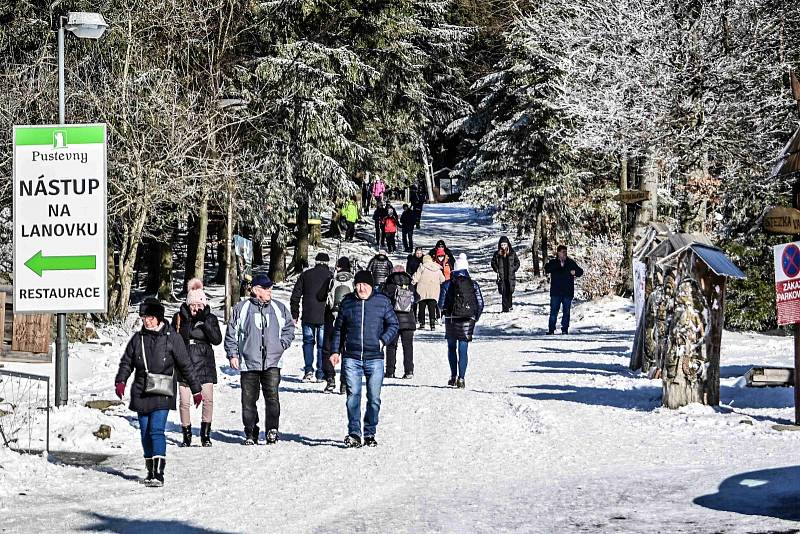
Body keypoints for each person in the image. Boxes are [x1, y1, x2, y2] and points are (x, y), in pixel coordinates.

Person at [115, 298, 202, 487]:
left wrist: (196, 389)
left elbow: (185, 364)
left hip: (162, 390)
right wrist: (121, 380)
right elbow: (127, 362)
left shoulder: (172, 338)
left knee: (156, 430)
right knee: (145, 433)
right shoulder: (138, 339)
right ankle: (149, 470)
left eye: (151, 317)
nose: (147, 321)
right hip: (141, 390)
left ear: (159, 318)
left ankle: (159, 473)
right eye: (145, 317)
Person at [330, 271, 399, 447]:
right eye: (358, 285)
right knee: (353, 396)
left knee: (374, 398)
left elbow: (393, 324)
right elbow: (339, 329)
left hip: (375, 358)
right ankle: (354, 433)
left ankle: (370, 432)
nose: (361, 288)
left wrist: (382, 340)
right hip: (352, 357)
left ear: (371, 286)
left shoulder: (382, 301)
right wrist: (335, 351)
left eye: (365, 285)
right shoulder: (348, 302)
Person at [224, 274, 295, 445]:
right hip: (249, 363)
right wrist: (233, 354)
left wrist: (282, 344)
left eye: (270, 287)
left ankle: (272, 430)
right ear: (256, 290)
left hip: (272, 362)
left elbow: (289, 327)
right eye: (266, 288)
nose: (270, 290)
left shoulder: (279, 308)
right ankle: (250, 431)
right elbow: (231, 333)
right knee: (248, 401)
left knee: (272, 398)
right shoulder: (242, 308)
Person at [171, 278, 222, 447]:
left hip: (204, 364)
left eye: (199, 305)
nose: (195, 308)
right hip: (185, 364)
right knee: (184, 402)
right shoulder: (179, 318)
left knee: (208, 400)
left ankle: (205, 435)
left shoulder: (210, 318)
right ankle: (186, 435)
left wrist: (205, 322)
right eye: (192, 305)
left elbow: (216, 339)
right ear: (187, 304)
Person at [438, 254, 484, 389]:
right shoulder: (473, 284)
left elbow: (441, 304)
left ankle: (453, 376)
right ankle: (462, 378)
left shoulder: (447, 284)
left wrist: (445, 312)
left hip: (451, 318)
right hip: (467, 319)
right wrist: (475, 317)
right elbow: (480, 303)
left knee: (451, 348)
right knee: (463, 349)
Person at [291, 253, 333, 382]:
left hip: (308, 315)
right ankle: (320, 373)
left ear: (315, 262)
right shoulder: (330, 276)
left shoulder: (306, 275)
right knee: (322, 346)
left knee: (308, 343)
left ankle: (308, 371)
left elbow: (295, 295)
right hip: (324, 316)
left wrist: (295, 313)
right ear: (327, 262)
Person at [319, 256, 354, 394]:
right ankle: (344, 383)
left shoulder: (332, 279)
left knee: (328, 349)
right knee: (347, 351)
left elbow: (321, 296)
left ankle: (330, 379)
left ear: (338, 266)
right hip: (348, 319)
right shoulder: (353, 279)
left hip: (331, 318)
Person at [382, 266, 416, 379]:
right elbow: (417, 298)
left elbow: (382, 298)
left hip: (393, 321)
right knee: (408, 347)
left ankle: (390, 371)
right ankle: (409, 371)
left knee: (391, 346)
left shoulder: (389, 285)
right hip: (409, 321)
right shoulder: (410, 286)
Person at [545, 245, 584, 334]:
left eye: (565, 251)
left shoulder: (570, 262)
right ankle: (551, 330)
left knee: (566, 312)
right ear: (558, 253)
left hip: (567, 291)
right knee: (554, 312)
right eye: (562, 252)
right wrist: (558, 265)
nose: (564, 253)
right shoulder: (553, 262)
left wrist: (575, 272)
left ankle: (565, 329)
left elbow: (580, 271)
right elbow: (547, 269)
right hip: (556, 292)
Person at [412, 254, 445, 330]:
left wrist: (412, 282)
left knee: (422, 308)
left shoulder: (422, 267)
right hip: (434, 291)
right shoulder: (437, 268)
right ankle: (432, 324)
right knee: (432, 308)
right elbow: (442, 279)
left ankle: (422, 324)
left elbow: (416, 278)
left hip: (422, 291)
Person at [490, 236, 521, 313]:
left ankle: (509, 305)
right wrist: (496, 269)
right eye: (502, 245)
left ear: (508, 244)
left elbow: (517, 262)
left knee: (510, 291)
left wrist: (514, 268)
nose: (503, 247)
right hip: (502, 276)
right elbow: (493, 262)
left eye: (505, 244)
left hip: (510, 276)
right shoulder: (497, 254)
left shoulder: (512, 253)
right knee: (503, 292)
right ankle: (505, 308)